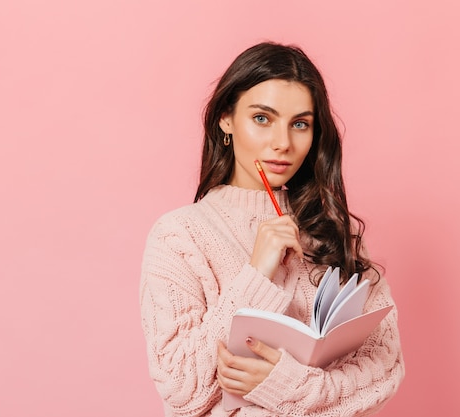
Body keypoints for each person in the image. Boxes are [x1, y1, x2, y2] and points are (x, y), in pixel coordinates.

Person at [140, 41, 404, 416]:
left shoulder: (332, 234)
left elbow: (385, 369)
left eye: (299, 124)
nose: (283, 143)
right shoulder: (179, 236)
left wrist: (286, 385)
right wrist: (257, 276)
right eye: (262, 118)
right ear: (226, 119)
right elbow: (181, 389)